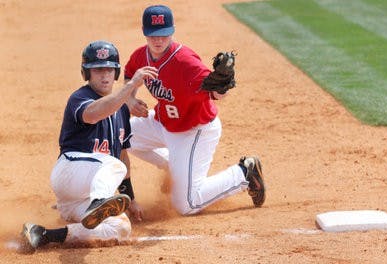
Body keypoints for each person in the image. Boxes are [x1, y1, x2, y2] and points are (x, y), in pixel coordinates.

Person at [124, 5, 266, 216]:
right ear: (145, 32)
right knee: (122, 134)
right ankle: (175, 167)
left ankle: (244, 174)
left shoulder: (185, 62)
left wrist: (221, 86)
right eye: (153, 35)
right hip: (163, 122)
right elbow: (129, 75)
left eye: (163, 34)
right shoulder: (141, 56)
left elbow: (216, 94)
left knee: (186, 204)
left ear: (172, 31)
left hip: (194, 130)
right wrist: (129, 99)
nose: (158, 40)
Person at [21, 40, 158, 249]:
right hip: (70, 173)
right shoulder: (80, 98)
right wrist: (130, 87)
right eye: (98, 70)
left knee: (120, 228)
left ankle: (44, 234)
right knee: (114, 165)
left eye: (109, 70)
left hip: (79, 197)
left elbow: (122, 155)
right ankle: (100, 202)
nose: (104, 75)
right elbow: (94, 114)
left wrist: (131, 198)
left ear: (116, 72)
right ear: (87, 74)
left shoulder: (121, 110)